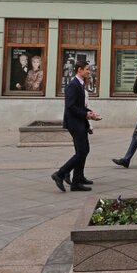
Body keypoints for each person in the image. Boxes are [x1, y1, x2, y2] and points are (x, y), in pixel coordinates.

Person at [53, 60, 101, 192]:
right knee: (81, 152)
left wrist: (90, 113)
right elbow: (71, 106)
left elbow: (80, 106)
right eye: (87, 69)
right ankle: (60, 174)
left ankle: (77, 179)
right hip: (74, 123)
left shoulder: (80, 84)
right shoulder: (73, 85)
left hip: (80, 121)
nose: (88, 71)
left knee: (83, 150)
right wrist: (87, 115)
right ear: (79, 70)